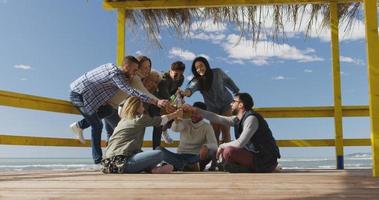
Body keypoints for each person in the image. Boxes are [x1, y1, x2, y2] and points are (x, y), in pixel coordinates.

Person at [69, 56, 168, 164]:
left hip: (95, 100)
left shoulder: (116, 69)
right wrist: (156, 102)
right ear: (126, 66)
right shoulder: (116, 75)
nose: (135, 73)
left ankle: (79, 125)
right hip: (79, 95)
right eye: (135, 70)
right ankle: (98, 161)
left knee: (108, 112)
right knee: (98, 125)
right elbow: (130, 91)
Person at [183, 93, 280, 173]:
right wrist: (194, 109)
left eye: (234, 101)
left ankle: (262, 169)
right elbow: (216, 118)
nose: (231, 104)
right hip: (255, 156)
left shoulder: (251, 119)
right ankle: (247, 169)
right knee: (226, 155)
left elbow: (240, 143)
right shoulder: (237, 119)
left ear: (241, 105)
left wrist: (222, 145)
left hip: (265, 159)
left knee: (228, 151)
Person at [102, 96, 182, 174]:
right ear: (136, 108)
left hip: (108, 163)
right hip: (121, 163)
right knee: (159, 154)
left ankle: (151, 168)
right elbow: (161, 120)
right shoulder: (139, 119)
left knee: (147, 156)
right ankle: (151, 169)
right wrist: (176, 114)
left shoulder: (123, 121)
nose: (143, 109)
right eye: (142, 106)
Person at [181, 56, 240, 145]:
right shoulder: (197, 80)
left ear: (206, 65)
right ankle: (215, 157)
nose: (199, 69)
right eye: (196, 68)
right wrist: (185, 92)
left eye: (201, 66)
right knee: (214, 132)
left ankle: (226, 158)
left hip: (226, 104)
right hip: (212, 109)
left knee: (225, 130)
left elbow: (228, 81)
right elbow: (190, 89)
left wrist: (237, 92)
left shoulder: (218, 72)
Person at [158, 102, 218, 171]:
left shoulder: (207, 126)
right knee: (158, 149)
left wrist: (206, 146)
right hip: (181, 155)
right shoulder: (185, 120)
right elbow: (175, 129)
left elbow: (214, 145)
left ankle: (180, 166)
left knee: (211, 151)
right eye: (192, 112)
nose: (194, 115)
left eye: (197, 113)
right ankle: (187, 166)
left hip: (195, 157)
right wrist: (177, 118)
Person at [151, 61, 186, 149]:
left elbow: (174, 92)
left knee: (178, 112)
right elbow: (165, 96)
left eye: (180, 74)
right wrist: (175, 105)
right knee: (158, 124)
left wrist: (179, 98)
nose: (178, 77)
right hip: (156, 100)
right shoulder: (164, 80)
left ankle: (164, 129)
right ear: (170, 71)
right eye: (176, 74)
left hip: (168, 99)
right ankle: (156, 149)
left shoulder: (181, 79)